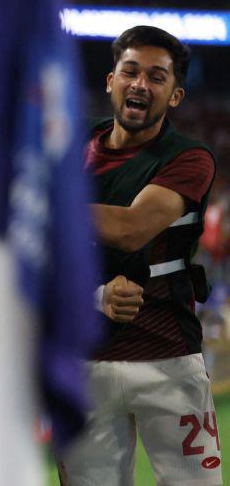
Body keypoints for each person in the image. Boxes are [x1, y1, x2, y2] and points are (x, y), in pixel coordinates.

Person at [60, 26, 220, 486]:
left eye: (156, 77)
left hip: (167, 358)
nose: (140, 84)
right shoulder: (70, 146)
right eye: (130, 72)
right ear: (111, 80)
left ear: (175, 95)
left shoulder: (190, 158)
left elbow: (130, 230)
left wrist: (43, 201)